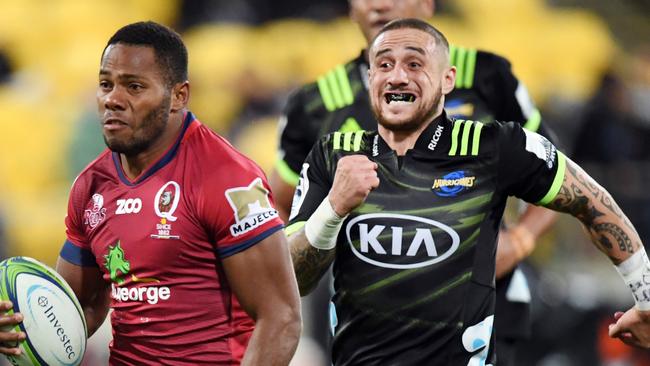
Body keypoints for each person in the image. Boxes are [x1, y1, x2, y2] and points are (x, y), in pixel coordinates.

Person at [286, 18, 650, 364]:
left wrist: (645, 299)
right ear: (370, 79)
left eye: (414, 64)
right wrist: (332, 210)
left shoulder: (495, 146)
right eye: (384, 65)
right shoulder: (333, 154)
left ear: (447, 80)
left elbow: (592, 199)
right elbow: (294, 279)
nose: (397, 76)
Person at [270, 0, 556, 363]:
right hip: (367, 330)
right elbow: (278, 202)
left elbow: (556, 171)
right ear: (350, 9)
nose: (381, 3)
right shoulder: (314, 104)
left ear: (428, 5)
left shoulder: (487, 76)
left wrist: (518, 241)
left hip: (488, 315)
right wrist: (317, 245)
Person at [0, 21, 301, 365]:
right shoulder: (91, 186)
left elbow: (281, 318)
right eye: (105, 84)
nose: (113, 99)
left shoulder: (227, 178)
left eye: (134, 86)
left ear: (178, 96)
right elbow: (81, 305)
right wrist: (22, 328)